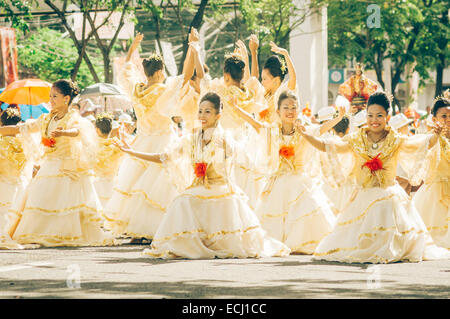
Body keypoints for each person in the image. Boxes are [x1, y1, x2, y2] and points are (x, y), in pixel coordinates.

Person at [114, 92, 290, 259]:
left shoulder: (225, 138)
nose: (202, 115)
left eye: (207, 112)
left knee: (194, 203)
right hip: (198, 187)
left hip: (221, 189)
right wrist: (131, 152)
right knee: (182, 200)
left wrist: (227, 148)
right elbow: (165, 157)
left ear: (217, 115)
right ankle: (190, 245)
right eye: (200, 111)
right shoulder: (191, 138)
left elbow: (240, 155)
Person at [297, 91, 449, 263]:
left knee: (384, 206)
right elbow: (329, 146)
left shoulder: (396, 139)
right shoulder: (356, 139)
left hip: (389, 195)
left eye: (379, 115)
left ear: (387, 117)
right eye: (370, 115)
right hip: (363, 196)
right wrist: (306, 136)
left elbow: (420, 144)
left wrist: (435, 136)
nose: (374, 120)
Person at [0, 79, 115, 247]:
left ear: (66, 99)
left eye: (54, 96)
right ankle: (40, 233)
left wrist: (65, 133)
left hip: (67, 169)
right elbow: (21, 129)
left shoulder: (73, 118)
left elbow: (78, 131)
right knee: (39, 197)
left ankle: (62, 235)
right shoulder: (46, 118)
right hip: (48, 167)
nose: (51, 100)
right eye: (50, 96)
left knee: (64, 202)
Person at [228, 91, 336, 254]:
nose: (290, 111)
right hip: (278, 180)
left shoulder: (304, 130)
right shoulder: (273, 131)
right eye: (286, 107)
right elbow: (256, 124)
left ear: (298, 110)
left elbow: (320, 130)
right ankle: (279, 243)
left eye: (293, 107)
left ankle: (300, 243)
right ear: (278, 111)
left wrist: (338, 118)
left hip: (299, 179)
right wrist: (237, 109)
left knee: (304, 204)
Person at [103, 32, 186, 242]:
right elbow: (182, 81)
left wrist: (133, 46)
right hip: (162, 139)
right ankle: (154, 228)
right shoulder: (163, 91)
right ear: (159, 72)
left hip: (142, 139)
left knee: (135, 185)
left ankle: (135, 229)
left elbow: (126, 70)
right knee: (159, 186)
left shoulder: (137, 90)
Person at [413, 96, 450, 249]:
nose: (448, 120)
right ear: (434, 118)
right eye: (444, 116)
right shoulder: (430, 138)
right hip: (435, 190)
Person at [0, 108, 30, 249]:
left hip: (3, 179)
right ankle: (10, 232)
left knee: (3, 208)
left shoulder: (1, 142)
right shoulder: (24, 144)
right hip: (18, 182)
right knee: (14, 209)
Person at [249, 37, 297, 125]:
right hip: (262, 136)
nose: (262, 82)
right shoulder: (264, 95)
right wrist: (253, 52)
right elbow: (254, 80)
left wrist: (286, 54)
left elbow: (293, 78)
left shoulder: (283, 94)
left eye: (264, 79)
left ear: (276, 80)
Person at [93, 113, 124, 208]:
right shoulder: (116, 145)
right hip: (112, 181)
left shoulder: (93, 144)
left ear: (97, 130)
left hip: (95, 182)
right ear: (110, 130)